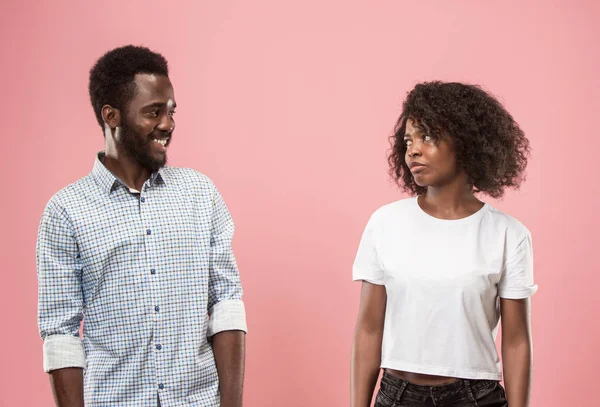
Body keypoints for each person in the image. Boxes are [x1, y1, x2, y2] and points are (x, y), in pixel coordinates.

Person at [36, 45, 247, 407]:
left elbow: (226, 304)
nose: (167, 124)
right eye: (153, 112)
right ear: (111, 116)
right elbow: (61, 337)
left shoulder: (199, 194)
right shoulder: (66, 212)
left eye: (170, 111)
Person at [350, 81, 537, 407]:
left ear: (467, 143)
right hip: (397, 395)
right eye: (408, 140)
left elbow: (517, 340)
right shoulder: (385, 223)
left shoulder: (508, 235)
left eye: (428, 137)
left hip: (476, 397)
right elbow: (368, 328)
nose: (413, 150)